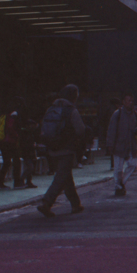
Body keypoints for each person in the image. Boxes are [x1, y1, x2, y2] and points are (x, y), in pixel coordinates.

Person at [37, 85, 87, 217]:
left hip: (52, 148)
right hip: (66, 149)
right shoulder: (71, 110)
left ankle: (76, 204)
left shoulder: (51, 109)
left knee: (65, 177)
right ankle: (46, 202)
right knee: (61, 177)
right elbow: (81, 130)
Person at [106, 93, 137, 196]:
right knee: (118, 169)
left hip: (131, 145)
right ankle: (118, 187)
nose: (130, 103)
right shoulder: (118, 114)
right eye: (128, 100)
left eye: (132, 101)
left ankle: (121, 183)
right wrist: (110, 144)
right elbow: (111, 129)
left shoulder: (135, 114)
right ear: (123, 102)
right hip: (119, 145)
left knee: (133, 165)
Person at [0, 99, 23, 189]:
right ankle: (17, 182)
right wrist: (17, 135)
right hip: (11, 141)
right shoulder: (13, 116)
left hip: (3, 141)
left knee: (6, 162)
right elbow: (11, 128)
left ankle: (0, 182)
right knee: (16, 161)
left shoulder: (3, 116)